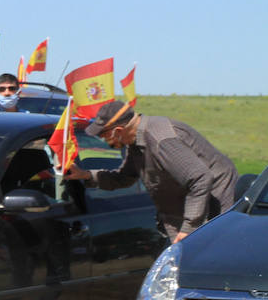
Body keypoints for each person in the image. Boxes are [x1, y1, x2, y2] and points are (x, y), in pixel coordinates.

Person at [65, 100, 237, 242]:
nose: (105, 142)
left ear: (118, 131)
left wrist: (189, 228)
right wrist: (84, 175)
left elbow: (200, 178)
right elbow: (123, 178)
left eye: (104, 136)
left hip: (213, 209)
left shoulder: (160, 140)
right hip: (182, 213)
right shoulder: (135, 143)